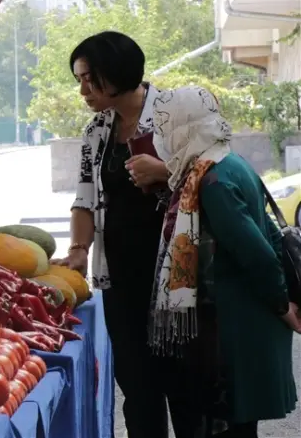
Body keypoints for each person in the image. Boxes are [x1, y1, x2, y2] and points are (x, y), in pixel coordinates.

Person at [50, 31, 202, 438]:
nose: (81, 89)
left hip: (179, 281)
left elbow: (219, 181)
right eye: (78, 78)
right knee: (137, 391)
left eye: (88, 78)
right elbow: (85, 198)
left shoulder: (178, 113)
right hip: (121, 280)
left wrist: (165, 173)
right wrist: (79, 249)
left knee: (188, 389)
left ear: (116, 73)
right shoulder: (96, 131)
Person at [148, 85, 298, 438]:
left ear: (185, 127)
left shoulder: (212, 180)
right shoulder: (225, 162)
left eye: (164, 125)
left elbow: (256, 252)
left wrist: (282, 306)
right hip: (233, 325)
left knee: (228, 427)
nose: (160, 137)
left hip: (233, 331)